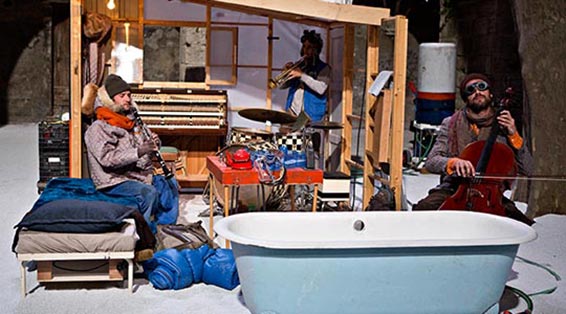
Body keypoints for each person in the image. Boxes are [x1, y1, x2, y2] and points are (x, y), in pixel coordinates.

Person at [412, 73, 534, 225]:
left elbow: (528, 169)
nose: (477, 92)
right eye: (470, 90)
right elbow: (432, 161)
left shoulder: (504, 126)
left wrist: (514, 135)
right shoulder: (450, 124)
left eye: (482, 87)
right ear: (466, 98)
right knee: (422, 212)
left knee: (521, 225)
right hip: (454, 190)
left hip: (491, 197)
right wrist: (453, 162)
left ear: (490, 93)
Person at [84, 74, 163, 233]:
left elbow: (146, 143)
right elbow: (107, 159)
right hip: (112, 181)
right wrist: (140, 150)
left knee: (168, 185)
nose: (128, 99)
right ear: (110, 99)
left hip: (134, 174)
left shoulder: (131, 120)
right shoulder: (98, 127)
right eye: (122, 96)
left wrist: (154, 143)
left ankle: (165, 228)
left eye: (129, 95)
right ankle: (145, 236)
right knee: (148, 192)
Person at [281, 30, 330, 123]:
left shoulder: (324, 68)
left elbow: (321, 88)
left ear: (316, 50)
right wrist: (286, 73)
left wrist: (302, 75)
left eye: (309, 47)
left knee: (307, 137)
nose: (305, 50)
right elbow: (282, 86)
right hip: (292, 112)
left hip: (310, 115)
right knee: (287, 137)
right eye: (304, 46)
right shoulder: (299, 66)